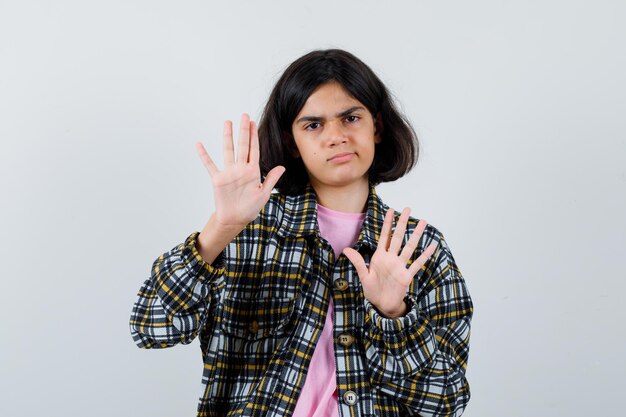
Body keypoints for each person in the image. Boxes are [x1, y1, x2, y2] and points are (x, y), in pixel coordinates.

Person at [129, 49, 473, 417]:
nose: (336, 137)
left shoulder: (420, 248)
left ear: (377, 126)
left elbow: (445, 402)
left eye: (350, 118)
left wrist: (394, 313)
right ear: (292, 142)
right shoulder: (249, 235)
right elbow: (152, 327)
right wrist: (221, 229)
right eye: (313, 125)